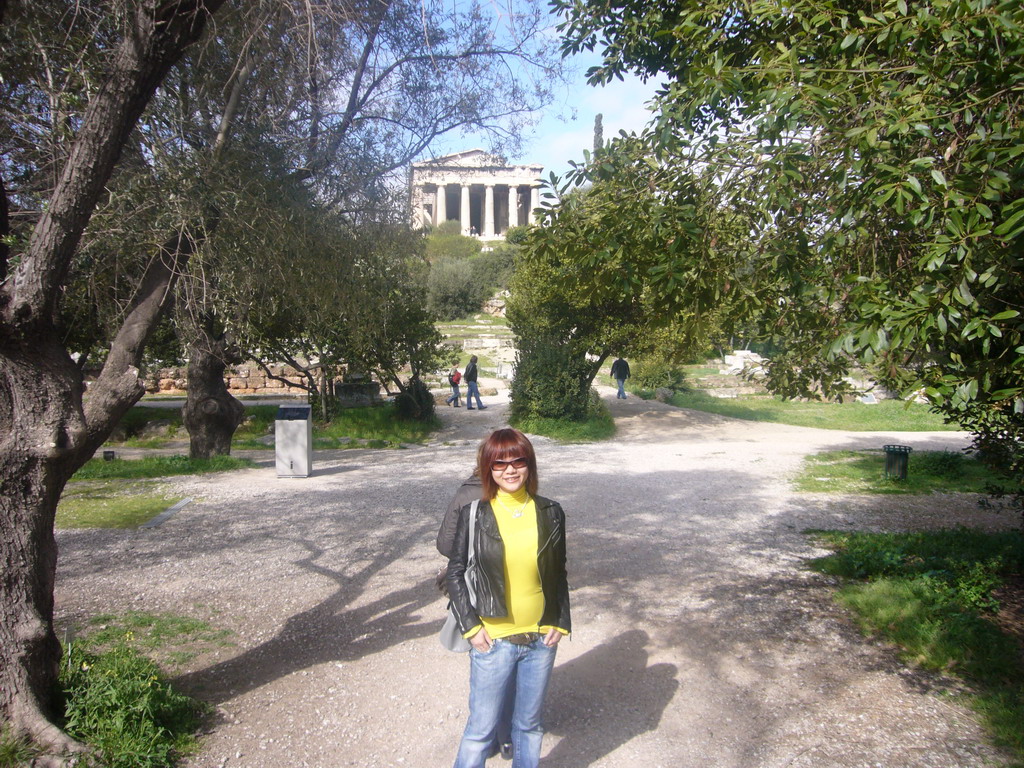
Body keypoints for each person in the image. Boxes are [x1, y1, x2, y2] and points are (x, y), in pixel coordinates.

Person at [447, 428, 571, 768]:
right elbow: (454, 573)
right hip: (493, 641)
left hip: (540, 641)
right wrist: (471, 628)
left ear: (529, 465)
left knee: (529, 728)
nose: (510, 469)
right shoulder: (475, 513)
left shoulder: (551, 512)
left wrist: (560, 621)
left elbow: (558, 573)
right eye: (500, 463)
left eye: (518, 461)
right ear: (488, 469)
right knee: (480, 730)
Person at [437, 468, 514, 760]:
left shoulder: (466, 493)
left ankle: (486, 734)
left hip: (478, 592)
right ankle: (507, 736)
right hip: (513, 591)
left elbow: (444, 544)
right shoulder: (522, 492)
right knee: (513, 660)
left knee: (485, 663)